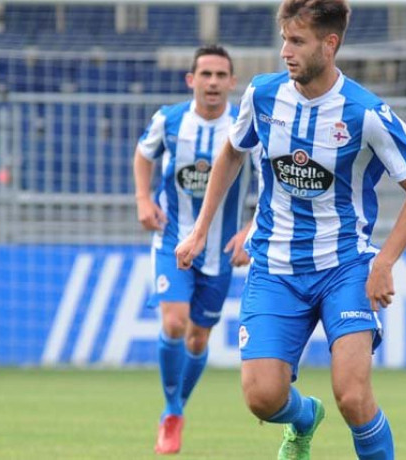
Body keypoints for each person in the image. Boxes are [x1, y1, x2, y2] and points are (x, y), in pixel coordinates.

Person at [175, 1, 406, 459]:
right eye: (283, 39)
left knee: (353, 396)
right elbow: (233, 153)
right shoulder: (262, 95)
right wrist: (200, 230)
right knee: (261, 397)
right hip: (275, 266)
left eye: (297, 41)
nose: (284, 51)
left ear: (329, 44)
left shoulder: (365, 113)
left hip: (345, 267)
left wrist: (385, 262)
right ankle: (303, 419)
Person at [133, 44, 256, 455]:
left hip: (220, 249)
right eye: (206, 74)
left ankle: (176, 408)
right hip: (173, 239)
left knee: (199, 339)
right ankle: (172, 412)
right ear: (191, 81)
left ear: (232, 83)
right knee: (174, 323)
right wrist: (143, 200)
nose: (213, 83)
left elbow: (274, 183)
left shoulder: (245, 124)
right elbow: (143, 154)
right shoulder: (168, 121)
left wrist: (251, 229)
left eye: (221, 75)